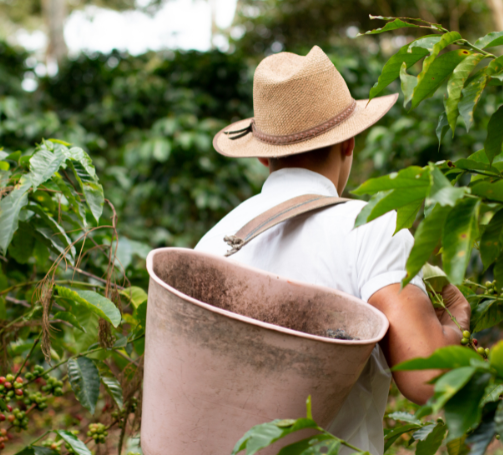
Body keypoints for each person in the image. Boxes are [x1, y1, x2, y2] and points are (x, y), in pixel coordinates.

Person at [194, 46, 471, 455]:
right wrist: (456, 324)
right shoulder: (372, 227)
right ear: (349, 143)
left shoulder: (212, 243)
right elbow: (426, 376)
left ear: (263, 157)